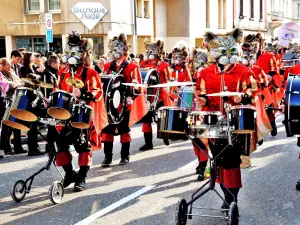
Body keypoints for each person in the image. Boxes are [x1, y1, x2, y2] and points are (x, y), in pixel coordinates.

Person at [195, 28, 257, 212]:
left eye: (231, 52)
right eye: (223, 52)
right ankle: (225, 194)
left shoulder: (244, 71)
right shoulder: (205, 73)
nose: (228, 56)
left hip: (236, 122)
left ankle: (231, 198)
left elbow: (254, 90)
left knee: (231, 160)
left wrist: (243, 98)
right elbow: (201, 92)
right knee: (218, 159)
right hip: (214, 122)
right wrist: (202, 99)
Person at [47, 31, 104, 192]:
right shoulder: (62, 72)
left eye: (75, 51)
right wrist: (51, 98)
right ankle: (70, 174)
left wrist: (83, 93)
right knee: (60, 146)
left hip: (81, 114)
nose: (71, 55)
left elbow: (98, 92)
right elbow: (57, 88)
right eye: (69, 51)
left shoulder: (90, 73)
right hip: (62, 114)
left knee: (83, 147)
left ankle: (82, 177)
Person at [101, 33, 147, 167]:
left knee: (124, 130)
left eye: (118, 49)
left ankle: (124, 156)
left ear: (124, 51)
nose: (115, 52)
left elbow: (138, 86)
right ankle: (107, 157)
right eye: (113, 49)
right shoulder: (107, 66)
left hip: (124, 103)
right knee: (107, 130)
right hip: (109, 104)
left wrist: (131, 97)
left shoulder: (132, 67)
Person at [139, 39, 173, 151]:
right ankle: (148, 143)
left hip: (160, 95)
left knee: (161, 118)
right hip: (147, 96)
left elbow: (169, 79)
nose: (149, 53)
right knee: (146, 120)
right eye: (148, 50)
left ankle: (165, 136)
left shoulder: (164, 65)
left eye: (152, 50)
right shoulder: (143, 64)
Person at [0, 58, 26, 156]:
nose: (10, 66)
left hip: (16, 100)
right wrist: (17, 84)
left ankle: (18, 147)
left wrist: (18, 84)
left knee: (17, 125)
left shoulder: (12, 73)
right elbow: (8, 85)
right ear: (2, 65)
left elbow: (20, 82)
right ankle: (6, 148)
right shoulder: (1, 74)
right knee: (7, 126)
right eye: (7, 65)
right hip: (7, 101)